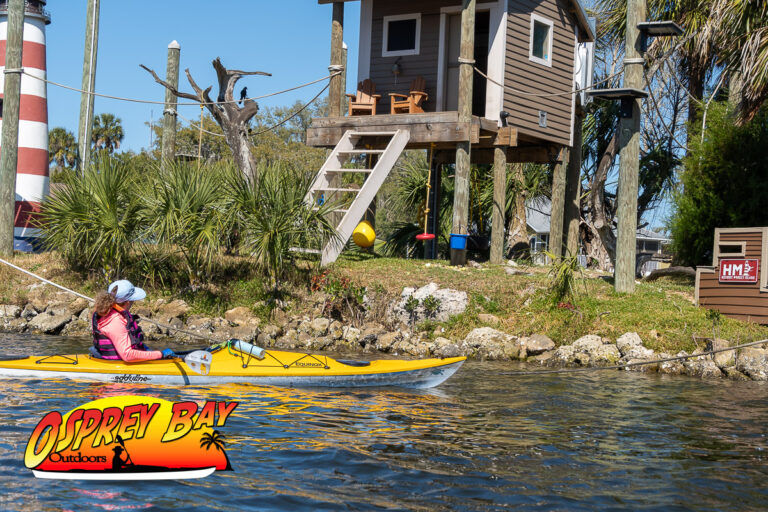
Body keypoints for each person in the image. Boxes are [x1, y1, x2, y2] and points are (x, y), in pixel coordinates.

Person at [91, 280, 176, 361]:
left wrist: (148, 351)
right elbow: (127, 355)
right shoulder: (115, 321)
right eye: (132, 301)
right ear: (127, 303)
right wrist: (160, 354)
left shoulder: (106, 311)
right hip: (118, 363)